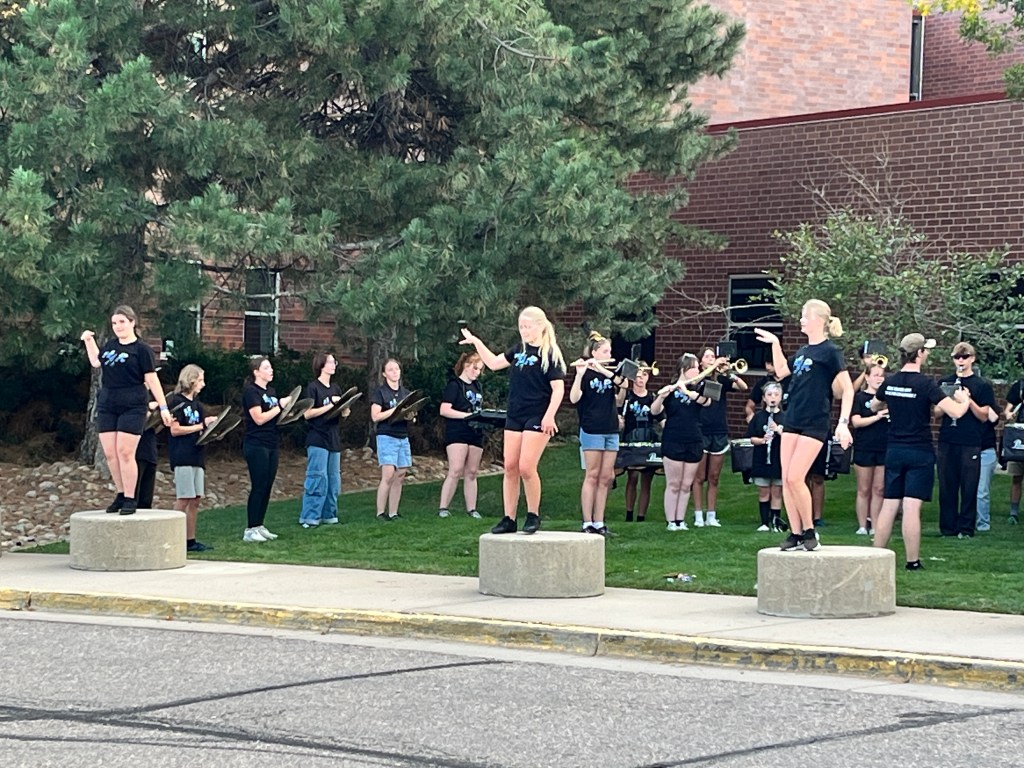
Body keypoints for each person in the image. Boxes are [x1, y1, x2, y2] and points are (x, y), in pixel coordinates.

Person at [755, 299, 853, 551]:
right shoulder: (802, 352)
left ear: (818, 320)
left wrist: (843, 423)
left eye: (805, 316)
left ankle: (810, 531)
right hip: (793, 420)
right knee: (786, 479)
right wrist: (775, 343)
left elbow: (848, 389)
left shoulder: (831, 352)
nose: (801, 320)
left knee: (796, 477)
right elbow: (780, 371)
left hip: (815, 422)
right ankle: (796, 533)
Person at [460, 306, 566, 535]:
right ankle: (509, 518)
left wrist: (549, 416)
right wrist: (476, 342)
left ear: (540, 326)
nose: (524, 331)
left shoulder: (549, 355)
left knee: (526, 467)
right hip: (515, 413)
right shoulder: (518, 350)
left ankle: (533, 514)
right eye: (521, 327)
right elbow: (493, 363)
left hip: (537, 414)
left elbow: (558, 389)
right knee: (510, 467)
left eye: (528, 327)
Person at [872, 334, 968, 569]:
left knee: (889, 505)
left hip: (894, 450)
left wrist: (888, 404)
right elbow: (955, 412)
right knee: (911, 507)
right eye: (926, 350)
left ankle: (875, 559)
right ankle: (912, 562)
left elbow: (874, 404)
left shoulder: (891, 381)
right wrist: (964, 400)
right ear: (920, 354)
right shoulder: (926, 384)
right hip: (919, 451)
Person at [80, 305, 172, 517]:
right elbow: (96, 361)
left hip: (133, 404)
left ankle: (131, 497)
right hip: (108, 403)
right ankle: (121, 494)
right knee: (111, 454)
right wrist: (88, 340)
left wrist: (163, 407)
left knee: (125, 452)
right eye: (114, 323)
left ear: (132, 322)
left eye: (122, 322)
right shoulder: (110, 345)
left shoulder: (142, 350)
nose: (118, 326)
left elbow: (152, 379)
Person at [935, 342, 996, 539]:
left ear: (972, 359)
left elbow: (984, 416)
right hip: (948, 439)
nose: (961, 361)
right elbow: (936, 412)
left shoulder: (982, 385)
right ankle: (948, 528)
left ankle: (966, 528)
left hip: (970, 441)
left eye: (965, 357)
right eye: (957, 357)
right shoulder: (945, 382)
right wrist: (950, 401)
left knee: (969, 486)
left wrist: (968, 401)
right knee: (947, 485)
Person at [651, 354, 712, 531]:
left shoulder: (699, 388)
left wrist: (687, 392)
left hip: (694, 439)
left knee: (686, 485)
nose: (698, 371)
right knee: (674, 483)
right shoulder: (671, 390)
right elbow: (654, 411)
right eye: (694, 368)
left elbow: (706, 402)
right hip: (673, 438)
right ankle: (671, 521)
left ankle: (680, 520)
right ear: (684, 369)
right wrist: (661, 396)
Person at [569, 331, 623, 535]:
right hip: (592, 428)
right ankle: (587, 522)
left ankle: (600, 522)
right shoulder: (586, 373)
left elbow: (621, 394)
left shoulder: (609, 373)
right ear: (594, 353)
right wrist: (579, 374)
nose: (610, 354)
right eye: (605, 351)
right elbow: (574, 398)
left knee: (606, 477)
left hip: (611, 429)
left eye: (610, 351)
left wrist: (605, 370)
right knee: (592, 475)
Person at [693, 347, 748, 527]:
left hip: (719, 429)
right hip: (701, 429)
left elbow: (743, 387)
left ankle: (711, 515)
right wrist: (712, 368)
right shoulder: (697, 378)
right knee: (699, 476)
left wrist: (729, 373)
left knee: (714, 476)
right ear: (701, 361)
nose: (711, 358)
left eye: (713, 356)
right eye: (707, 356)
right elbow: (694, 383)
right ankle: (698, 515)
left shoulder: (722, 379)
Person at [167, 364, 218, 552]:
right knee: (184, 497)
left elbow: (202, 428)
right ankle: (172, 537)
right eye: (200, 380)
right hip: (182, 454)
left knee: (195, 499)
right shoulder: (176, 402)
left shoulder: (197, 405)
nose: (203, 384)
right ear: (191, 380)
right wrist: (201, 426)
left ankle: (190, 540)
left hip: (197, 455)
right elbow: (175, 429)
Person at [242, 355, 292, 542]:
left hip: (272, 442)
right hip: (256, 443)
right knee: (259, 485)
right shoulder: (251, 392)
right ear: (256, 372)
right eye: (266, 368)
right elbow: (259, 418)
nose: (271, 371)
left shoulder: (271, 391)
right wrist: (279, 406)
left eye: (270, 367)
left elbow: (275, 417)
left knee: (268, 485)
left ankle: (259, 525)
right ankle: (250, 529)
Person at [299, 353, 349, 529]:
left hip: (333, 438)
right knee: (317, 478)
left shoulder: (336, 388)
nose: (334, 365)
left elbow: (342, 412)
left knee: (333, 480)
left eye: (335, 362)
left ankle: (329, 514)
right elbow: (307, 414)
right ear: (321, 365)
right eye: (330, 362)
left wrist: (344, 410)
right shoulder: (313, 388)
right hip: (317, 438)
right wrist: (330, 406)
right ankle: (310, 517)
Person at [437, 352, 486, 519]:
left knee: (472, 471)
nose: (476, 372)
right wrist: (466, 416)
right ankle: (443, 507)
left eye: (479, 369)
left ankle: (472, 509)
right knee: (456, 469)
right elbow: (444, 410)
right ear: (466, 365)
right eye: (474, 368)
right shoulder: (454, 385)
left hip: (476, 431)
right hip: (458, 430)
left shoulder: (478, 386)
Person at [370, 358, 414, 521]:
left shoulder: (406, 393)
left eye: (396, 369)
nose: (394, 372)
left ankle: (393, 512)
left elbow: (412, 416)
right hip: (386, 436)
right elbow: (375, 416)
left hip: (403, 436)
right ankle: (380, 512)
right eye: (390, 370)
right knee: (388, 475)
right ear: (384, 374)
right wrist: (395, 410)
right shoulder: (380, 393)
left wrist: (410, 416)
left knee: (401, 474)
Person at [850, 363, 889, 535]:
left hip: (884, 446)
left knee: (879, 489)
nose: (879, 378)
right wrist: (877, 417)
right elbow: (856, 422)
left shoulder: (887, 398)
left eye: (882, 375)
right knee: (864, 489)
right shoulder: (859, 398)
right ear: (867, 377)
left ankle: (875, 526)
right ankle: (862, 526)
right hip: (864, 447)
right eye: (875, 375)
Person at [619, 362, 659, 522]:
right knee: (632, 477)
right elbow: (620, 415)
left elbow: (660, 417)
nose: (640, 378)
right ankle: (629, 514)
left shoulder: (652, 398)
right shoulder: (627, 397)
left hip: (647, 440)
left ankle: (641, 516)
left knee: (646, 480)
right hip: (631, 440)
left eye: (644, 375)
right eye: (637, 375)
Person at [747, 381, 785, 532]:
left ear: (780, 398)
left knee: (776, 491)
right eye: (769, 395)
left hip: (778, 459)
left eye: (776, 395)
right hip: (762, 458)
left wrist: (778, 430)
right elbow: (751, 438)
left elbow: (790, 438)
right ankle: (764, 523)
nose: (773, 398)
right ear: (764, 398)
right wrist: (762, 440)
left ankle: (776, 522)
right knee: (764, 491)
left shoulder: (785, 417)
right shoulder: (758, 417)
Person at [1003, 377, 1024, 523]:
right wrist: (1009, 415)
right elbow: (1007, 411)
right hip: (1019, 436)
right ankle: (1013, 513)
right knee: (1017, 477)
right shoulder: (1020, 386)